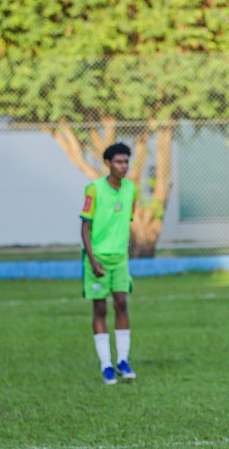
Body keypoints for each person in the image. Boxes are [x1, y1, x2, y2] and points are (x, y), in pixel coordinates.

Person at [81, 142, 138, 385]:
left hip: (120, 259)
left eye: (126, 161)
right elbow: (85, 228)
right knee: (100, 309)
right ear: (107, 163)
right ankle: (106, 365)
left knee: (122, 303)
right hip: (98, 259)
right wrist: (93, 260)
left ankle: (122, 360)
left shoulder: (131, 189)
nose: (123, 166)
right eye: (118, 162)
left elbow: (126, 222)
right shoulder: (94, 189)